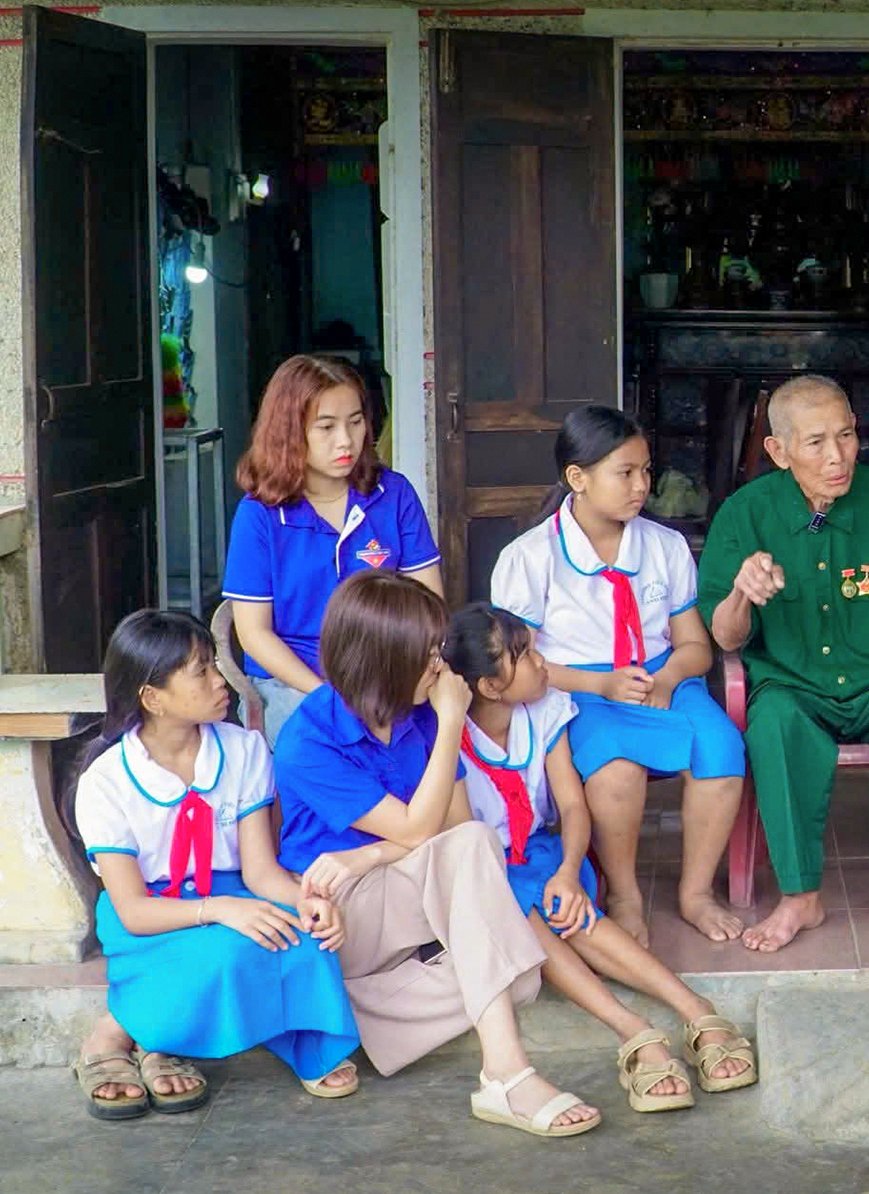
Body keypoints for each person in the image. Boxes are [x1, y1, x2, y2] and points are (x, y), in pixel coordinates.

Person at [274, 570, 601, 1138]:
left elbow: (456, 826)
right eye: (429, 653)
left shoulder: (418, 711)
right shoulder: (311, 740)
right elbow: (422, 828)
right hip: (341, 919)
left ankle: (352, 1015)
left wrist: (368, 856)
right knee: (503, 957)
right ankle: (506, 1075)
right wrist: (452, 720)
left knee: (519, 976)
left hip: (393, 885)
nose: (442, 666)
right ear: (384, 660)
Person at [442, 603, 757, 1113]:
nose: (542, 662)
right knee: (523, 910)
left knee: (562, 904)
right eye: (525, 656)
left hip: (544, 856)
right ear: (490, 686)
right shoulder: (446, 735)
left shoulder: (544, 711)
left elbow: (572, 806)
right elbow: (465, 842)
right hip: (489, 873)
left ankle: (690, 1010)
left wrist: (570, 870)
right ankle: (637, 1026)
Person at [698, 375, 869, 953]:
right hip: (792, 685)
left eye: (846, 435)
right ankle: (800, 896)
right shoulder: (744, 513)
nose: (838, 456)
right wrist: (742, 592)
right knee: (773, 725)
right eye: (816, 442)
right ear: (778, 451)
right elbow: (724, 636)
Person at [71, 610, 359, 1121]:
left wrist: (307, 901)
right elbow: (133, 910)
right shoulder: (106, 781)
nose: (220, 681)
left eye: (215, 666)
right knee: (228, 950)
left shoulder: (244, 750)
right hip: (151, 909)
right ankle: (132, 1035)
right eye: (201, 671)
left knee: (303, 937)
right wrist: (220, 909)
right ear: (152, 697)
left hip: (232, 889)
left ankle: (168, 1034)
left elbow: (260, 873)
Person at [490, 405, 746, 947]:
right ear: (577, 478)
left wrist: (668, 679)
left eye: (646, 471)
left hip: (660, 679)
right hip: (572, 688)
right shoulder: (530, 557)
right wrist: (602, 685)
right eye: (624, 473)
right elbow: (516, 666)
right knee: (615, 771)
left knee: (722, 749)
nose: (641, 486)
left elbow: (695, 647)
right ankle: (626, 895)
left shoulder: (665, 546)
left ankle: (696, 893)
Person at [223, 354, 442, 744]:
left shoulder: (393, 495)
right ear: (289, 432)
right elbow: (254, 633)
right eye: (326, 427)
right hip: (295, 684)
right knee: (326, 747)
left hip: (389, 674)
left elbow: (429, 603)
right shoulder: (259, 515)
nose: (346, 441)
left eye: (355, 422)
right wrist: (328, 696)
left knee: (435, 736)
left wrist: (404, 677)